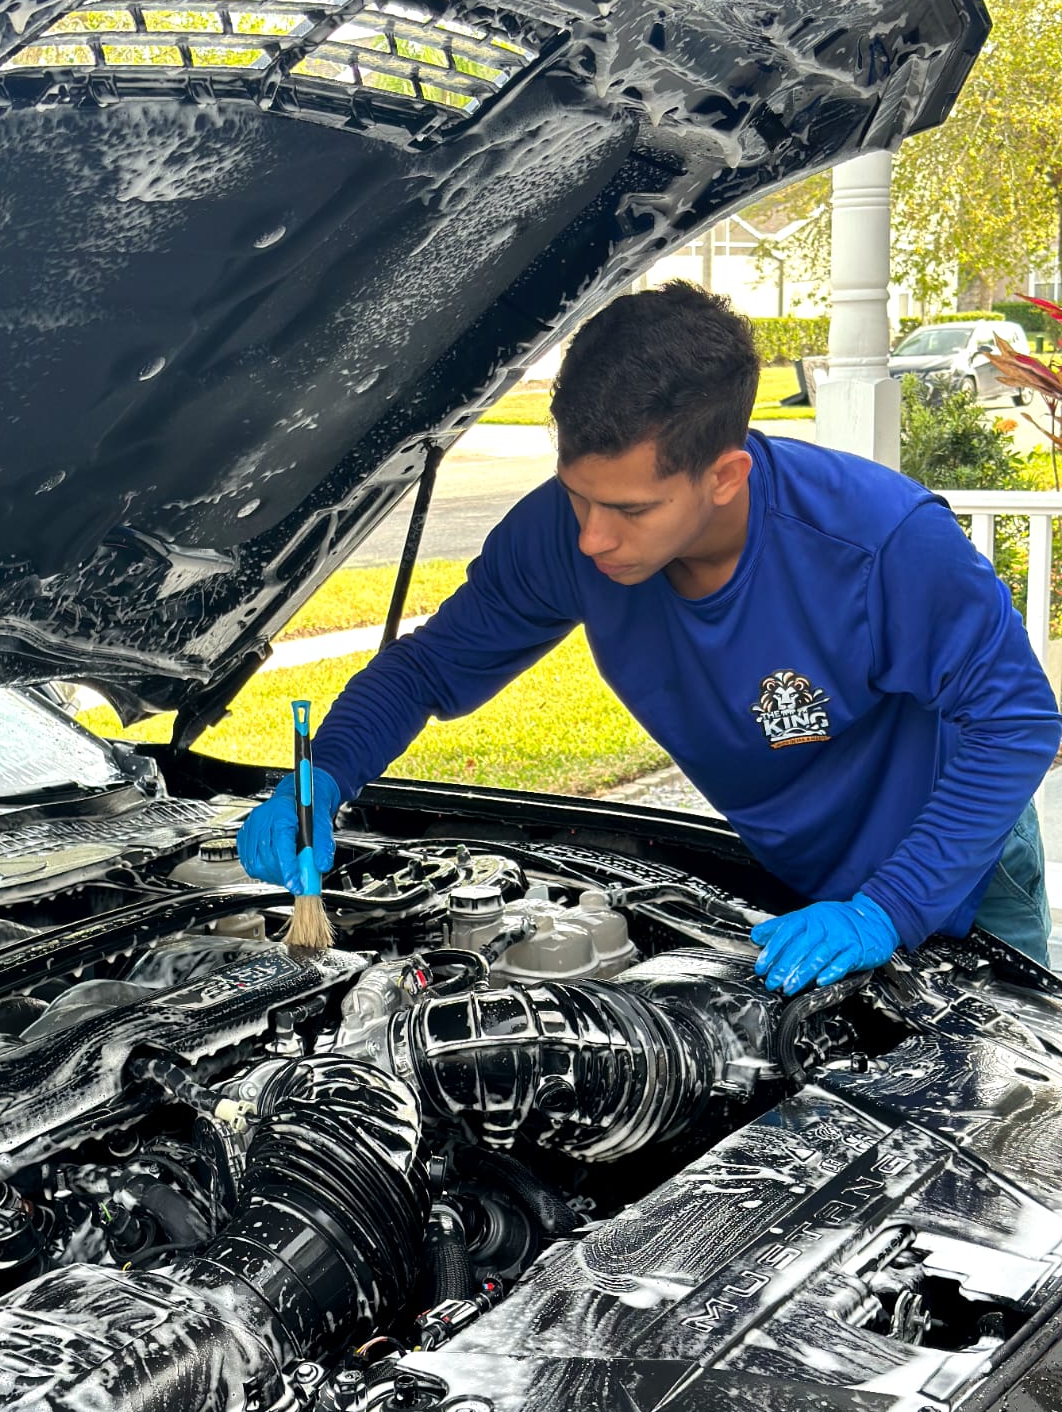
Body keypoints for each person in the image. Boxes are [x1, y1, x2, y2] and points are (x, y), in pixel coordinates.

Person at [238, 282, 1062, 990]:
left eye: (630, 509)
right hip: (799, 880)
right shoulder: (560, 537)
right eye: (577, 495)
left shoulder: (880, 542)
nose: (593, 537)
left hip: (956, 871)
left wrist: (889, 908)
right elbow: (426, 668)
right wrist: (325, 777)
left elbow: (1016, 720)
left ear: (725, 476)